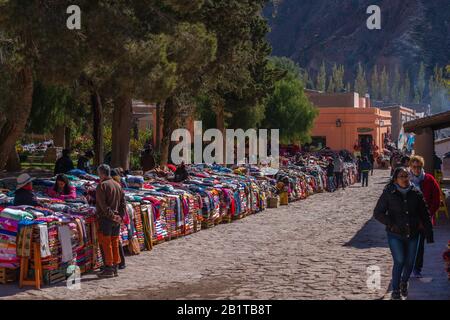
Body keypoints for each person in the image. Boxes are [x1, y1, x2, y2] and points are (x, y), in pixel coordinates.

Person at [373, 167, 434, 300]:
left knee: (410, 263)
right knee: (399, 260)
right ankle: (395, 290)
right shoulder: (389, 193)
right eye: (402, 176)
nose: (405, 179)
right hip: (395, 234)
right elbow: (378, 213)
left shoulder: (416, 193)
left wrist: (429, 233)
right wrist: (392, 224)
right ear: (395, 179)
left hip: (413, 233)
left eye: (407, 176)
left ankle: (404, 282)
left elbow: (425, 214)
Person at [408, 155, 441, 278]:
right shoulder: (404, 179)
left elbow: (436, 200)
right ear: (410, 167)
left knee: (419, 245)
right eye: (414, 167)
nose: (417, 169)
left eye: (419, 167)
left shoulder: (429, 179)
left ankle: (417, 269)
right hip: (408, 219)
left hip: (423, 220)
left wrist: (428, 215)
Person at [95, 164, 126, 278]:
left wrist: (112, 216)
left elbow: (103, 206)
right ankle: (115, 267)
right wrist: (120, 217)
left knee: (106, 243)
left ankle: (109, 268)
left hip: (106, 219)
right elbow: (123, 203)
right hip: (116, 219)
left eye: (99, 173)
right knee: (114, 242)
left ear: (102, 173)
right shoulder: (118, 185)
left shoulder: (102, 186)